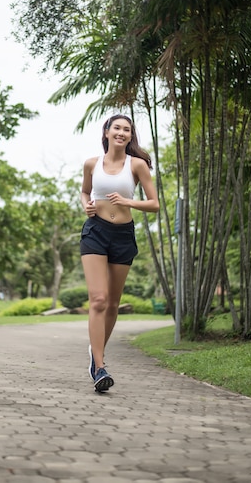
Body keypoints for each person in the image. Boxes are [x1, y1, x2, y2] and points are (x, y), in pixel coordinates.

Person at [80, 114, 160, 392]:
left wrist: (128, 201)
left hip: (123, 236)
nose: (122, 133)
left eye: (127, 130)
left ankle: (96, 350)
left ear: (130, 136)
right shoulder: (92, 163)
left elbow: (154, 204)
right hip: (95, 232)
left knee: (113, 304)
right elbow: (84, 192)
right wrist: (86, 206)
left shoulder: (136, 165)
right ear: (106, 132)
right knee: (98, 299)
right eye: (117, 128)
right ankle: (99, 367)